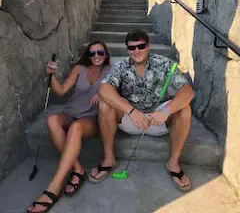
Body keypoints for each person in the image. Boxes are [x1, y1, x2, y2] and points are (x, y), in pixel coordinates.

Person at [88, 29, 194, 192]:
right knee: (105, 104)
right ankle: (109, 159)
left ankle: (173, 163)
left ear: (148, 46)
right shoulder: (121, 66)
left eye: (141, 46)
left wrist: (165, 111)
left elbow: (187, 92)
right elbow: (104, 89)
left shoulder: (164, 64)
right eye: (132, 48)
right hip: (131, 119)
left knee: (184, 109)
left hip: (157, 119)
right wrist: (132, 112)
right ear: (127, 49)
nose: (136, 51)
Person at [27, 41, 111, 213]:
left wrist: (102, 93)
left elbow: (116, 93)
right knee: (51, 120)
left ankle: (54, 187)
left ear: (106, 54)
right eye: (92, 53)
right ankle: (78, 169)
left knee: (76, 128)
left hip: (91, 118)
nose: (96, 56)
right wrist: (52, 75)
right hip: (71, 112)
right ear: (88, 55)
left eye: (100, 52)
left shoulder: (111, 71)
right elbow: (61, 90)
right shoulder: (79, 69)